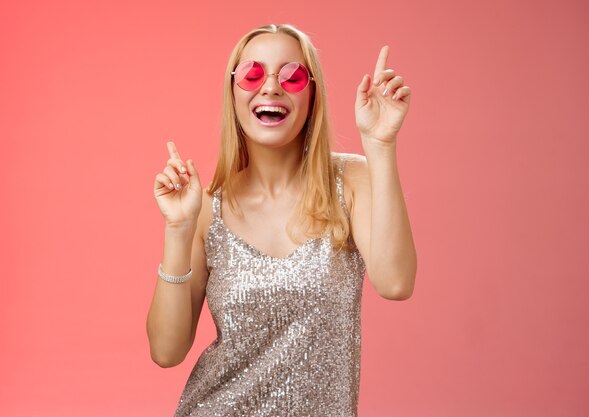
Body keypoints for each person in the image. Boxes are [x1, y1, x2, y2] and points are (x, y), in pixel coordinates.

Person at [146, 23, 417, 416]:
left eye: (291, 76)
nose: (271, 87)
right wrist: (177, 229)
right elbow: (166, 352)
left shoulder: (351, 182)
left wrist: (380, 145)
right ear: (234, 93)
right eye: (253, 74)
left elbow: (395, 282)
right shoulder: (207, 207)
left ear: (312, 94)